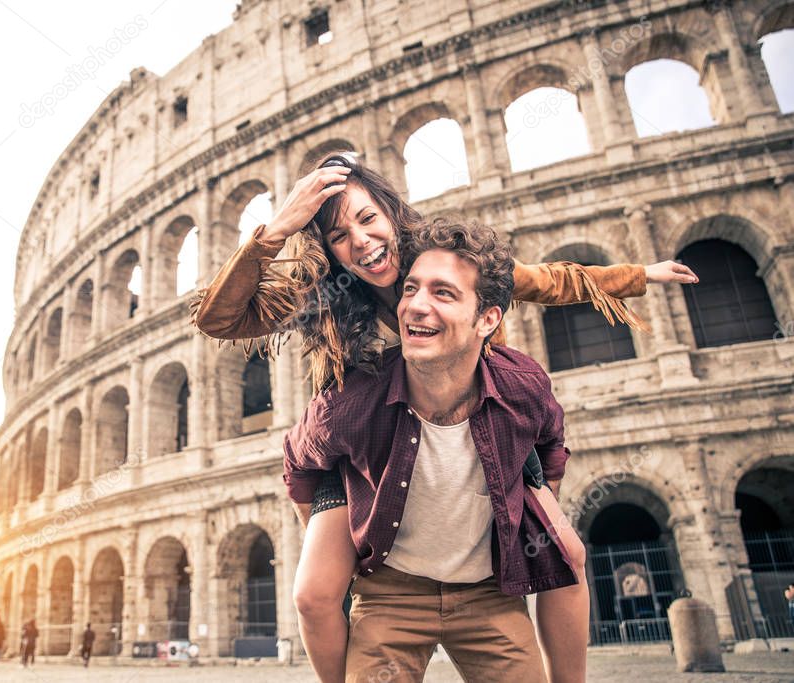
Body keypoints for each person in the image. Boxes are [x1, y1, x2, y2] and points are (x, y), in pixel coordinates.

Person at [193, 151, 699, 683]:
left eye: (368, 219)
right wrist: (277, 229)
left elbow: (547, 280)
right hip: (367, 446)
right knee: (315, 591)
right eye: (340, 236)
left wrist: (640, 274)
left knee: (569, 554)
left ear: (390, 212)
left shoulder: (442, 257)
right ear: (327, 250)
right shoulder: (326, 294)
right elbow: (219, 318)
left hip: (486, 422)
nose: (362, 242)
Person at [285, 219, 577, 681]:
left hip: (489, 594)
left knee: (571, 553)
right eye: (411, 289)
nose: (416, 307)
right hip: (389, 592)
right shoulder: (350, 400)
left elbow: (551, 444)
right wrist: (334, 534)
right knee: (312, 594)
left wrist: (536, 506)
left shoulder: (523, 385)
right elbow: (300, 464)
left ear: (488, 319)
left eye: (443, 293)